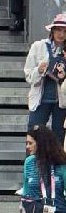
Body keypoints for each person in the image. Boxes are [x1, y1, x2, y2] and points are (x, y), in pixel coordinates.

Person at [25, 13, 66, 141]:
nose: (61, 34)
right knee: (34, 134)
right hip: (40, 99)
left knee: (60, 136)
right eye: (58, 30)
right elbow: (28, 76)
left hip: (62, 102)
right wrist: (39, 70)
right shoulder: (38, 46)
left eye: (65, 31)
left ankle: (59, 162)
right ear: (52, 31)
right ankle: (31, 161)